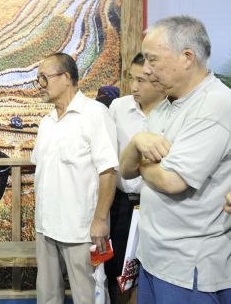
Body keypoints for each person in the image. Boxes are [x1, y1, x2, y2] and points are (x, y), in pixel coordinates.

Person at [120, 16, 231, 303]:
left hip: (188, 266)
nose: (147, 69)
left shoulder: (213, 104)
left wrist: (144, 163)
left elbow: (173, 181)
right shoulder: (167, 104)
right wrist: (138, 141)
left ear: (187, 57)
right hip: (154, 255)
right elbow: (126, 168)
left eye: (153, 59)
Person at [31, 52, 118, 303]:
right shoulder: (46, 122)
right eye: (38, 80)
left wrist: (100, 220)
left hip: (82, 230)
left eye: (44, 78)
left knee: (88, 296)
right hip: (46, 227)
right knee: (47, 296)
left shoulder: (95, 114)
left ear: (66, 77)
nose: (40, 86)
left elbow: (108, 171)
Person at [104, 53, 165, 303]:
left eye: (142, 80)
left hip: (156, 203)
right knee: (118, 272)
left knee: (151, 271)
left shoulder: (171, 112)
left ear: (159, 81)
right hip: (121, 205)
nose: (134, 86)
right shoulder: (119, 107)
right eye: (131, 78)